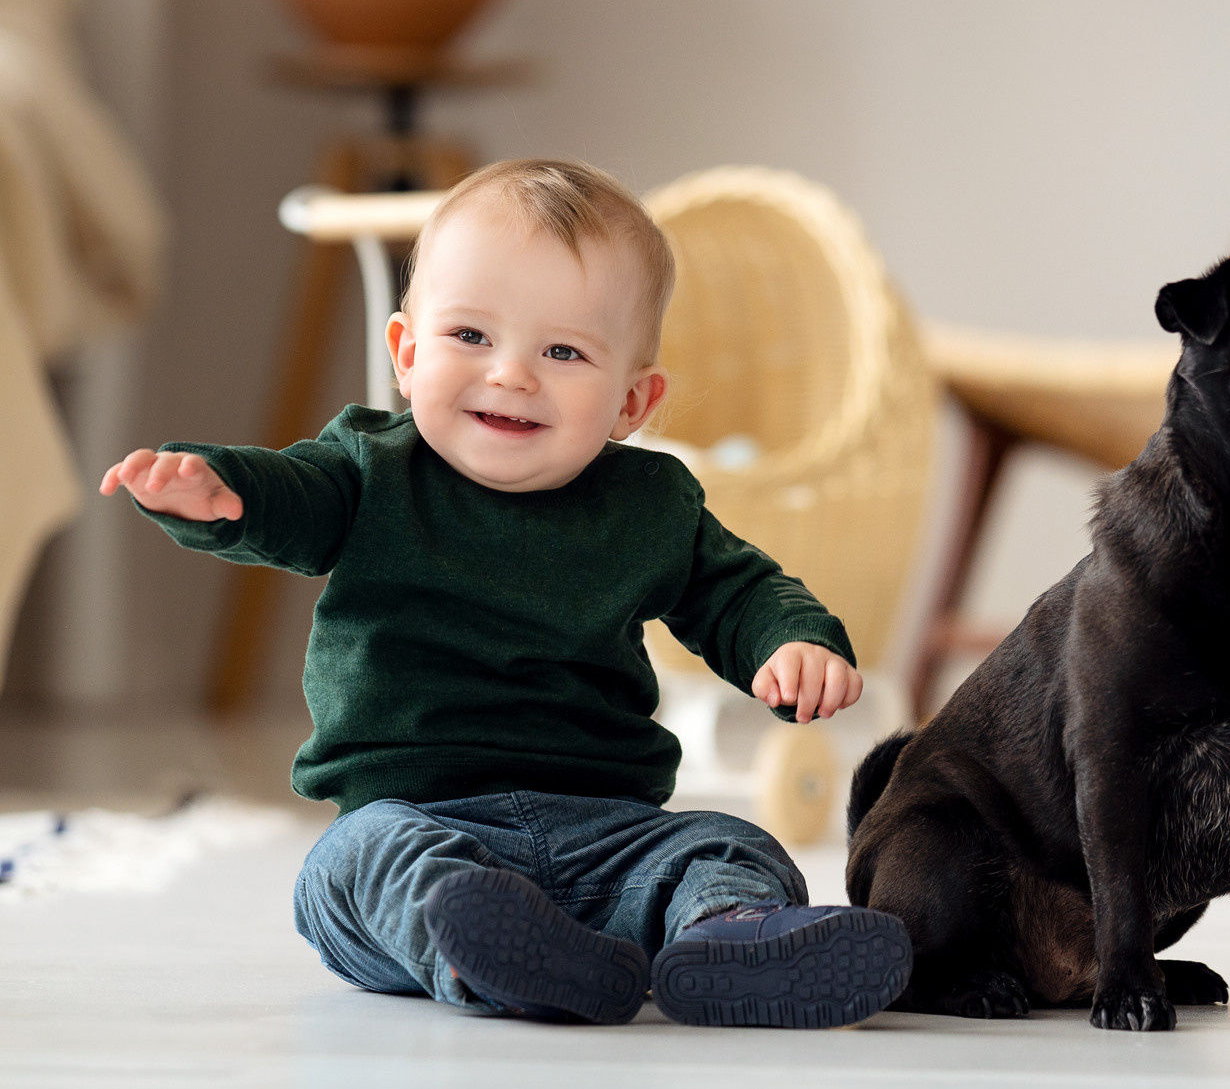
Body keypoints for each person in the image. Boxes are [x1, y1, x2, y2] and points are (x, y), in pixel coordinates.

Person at [100, 159, 911, 1027]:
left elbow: (739, 587)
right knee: (347, 866)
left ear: (633, 400)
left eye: (563, 351)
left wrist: (792, 640)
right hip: (417, 816)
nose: (512, 374)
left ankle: (728, 936)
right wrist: (221, 490)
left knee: (727, 842)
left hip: (608, 833)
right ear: (407, 355)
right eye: (471, 338)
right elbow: (290, 495)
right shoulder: (371, 470)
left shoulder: (648, 504)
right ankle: (490, 949)